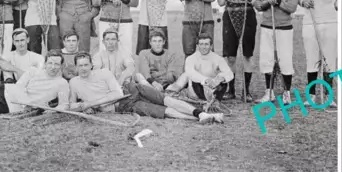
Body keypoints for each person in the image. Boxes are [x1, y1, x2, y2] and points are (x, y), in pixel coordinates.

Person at [59, 53, 223, 124]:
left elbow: (116, 93)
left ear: (91, 65)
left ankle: (201, 113)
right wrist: (83, 107)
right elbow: (72, 105)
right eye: (80, 65)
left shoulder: (103, 73)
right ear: (75, 66)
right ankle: (205, 117)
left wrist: (91, 103)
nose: (83, 68)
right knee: (162, 111)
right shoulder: (73, 82)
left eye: (86, 64)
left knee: (166, 100)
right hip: (124, 106)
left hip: (131, 91)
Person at [217, 0, 262, 101]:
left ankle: (246, 91)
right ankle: (231, 90)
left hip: (248, 15)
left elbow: (258, 3)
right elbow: (220, 1)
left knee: (248, 54)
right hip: (229, 15)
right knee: (230, 56)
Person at [254, 0, 300, 105]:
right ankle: (269, 93)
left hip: (284, 28)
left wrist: (279, 1)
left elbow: (292, 7)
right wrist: (268, 2)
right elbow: (259, 5)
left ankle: (286, 93)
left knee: (285, 60)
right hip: (267, 26)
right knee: (267, 60)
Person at [299, 0, 337, 107]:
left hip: (330, 22)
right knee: (312, 60)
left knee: (330, 60)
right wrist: (303, 2)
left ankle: (329, 97)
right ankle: (312, 96)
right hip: (310, 22)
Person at [179, 33, 234, 105]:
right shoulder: (191, 58)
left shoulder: (218, 58)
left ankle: (216, 101)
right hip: (198, 88)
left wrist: (220, 79)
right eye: (201, 44)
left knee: (223, 79)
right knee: (194, 79)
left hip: (213, 87)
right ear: (197, 45)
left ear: (211, 46)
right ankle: (205, 101)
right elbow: (190, 72)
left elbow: (230, 73)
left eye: (206, 44)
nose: (203, 47)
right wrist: (206, 80)